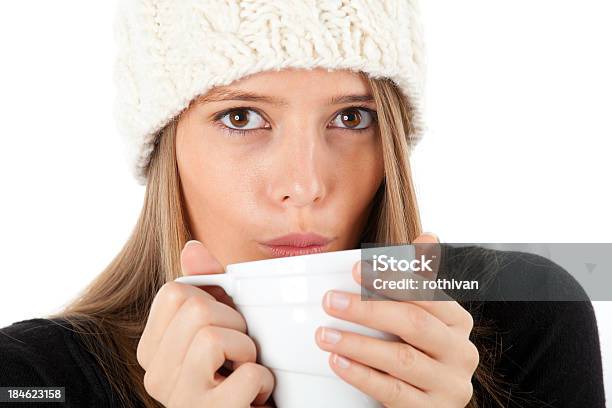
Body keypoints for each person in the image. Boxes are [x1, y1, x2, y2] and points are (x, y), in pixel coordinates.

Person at [0, 1, 606, 407]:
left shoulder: (523, 314)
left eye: (351, 117)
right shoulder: (32, 379)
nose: (305, 184)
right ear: (167, 147)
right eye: (242, 117)